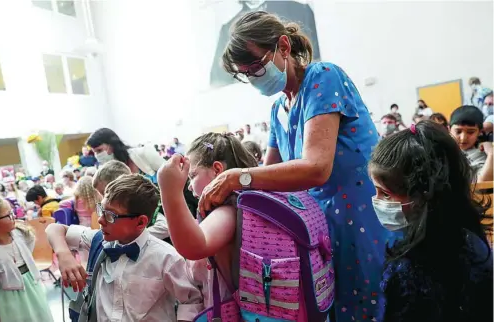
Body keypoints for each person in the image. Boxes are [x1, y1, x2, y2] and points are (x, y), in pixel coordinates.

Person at [203, 11, 400, 321]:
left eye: (256, 66)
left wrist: (236, 177)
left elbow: (316, 167)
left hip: (358, 218)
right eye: (246, 73)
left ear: (283, 47)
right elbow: (266, 179)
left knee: (370, 303)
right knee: (332, 306)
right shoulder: (279, 109)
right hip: (319, 229)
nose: (254, 77)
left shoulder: (323, 77)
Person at [369, 121, 493, 322]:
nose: (376, 201)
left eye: (385, 194)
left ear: (424, 196)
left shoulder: (410, 272)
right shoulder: (469, 239)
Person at [45, 174, 204, 321]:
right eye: (102, 209)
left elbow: (191, 301)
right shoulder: (99, 240)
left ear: (141, 222)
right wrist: (63, 254)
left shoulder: (166, 258)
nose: (100, 220)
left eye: (110, 215)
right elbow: (53, 229)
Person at [158, 132, 257, 308]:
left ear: (217, 170)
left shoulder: (229, 211)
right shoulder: (235, 206)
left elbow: (194, 247)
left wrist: (170, 192)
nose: (189, 185)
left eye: (192, 176)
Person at [87, 127, 199, 214]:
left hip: (170, 207)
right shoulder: (107, 171)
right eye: (95, 152)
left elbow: (172, 173)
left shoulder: (142, 154)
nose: (97, 155)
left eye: (99, 150)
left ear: (111, 145)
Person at [92, 160, 169, 240]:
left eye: (105, 193)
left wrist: (133, 237)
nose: (104, 199)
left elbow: (164, 227)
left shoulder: (142, 200)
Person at [449, 105, 493, 182]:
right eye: (458, 131)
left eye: (470, 132)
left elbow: (482, 187)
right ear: (449, 129)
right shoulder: (441, 149)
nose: (463, 138)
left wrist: (491, 154)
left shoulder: (481, 154)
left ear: (480, 132)